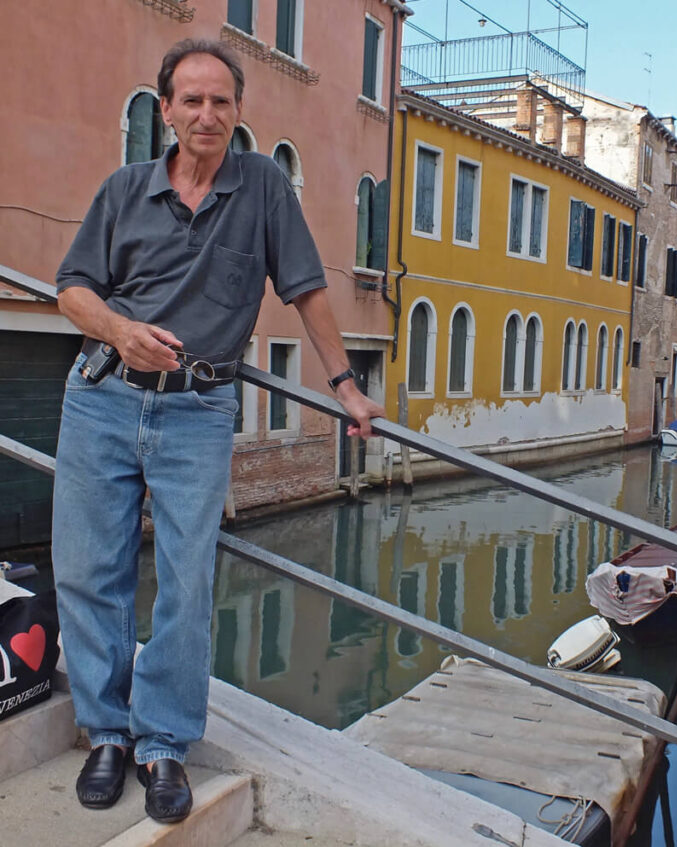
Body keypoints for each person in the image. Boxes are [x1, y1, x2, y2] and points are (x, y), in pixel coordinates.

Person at [52, 39, 385, 824]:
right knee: (89, 569)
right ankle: (107, 731)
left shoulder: (263, 185)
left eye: (221, 101)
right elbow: (71, 291)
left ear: (238, 111)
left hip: (198, 410)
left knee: (186, 580)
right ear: (167, 110)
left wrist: (345, 384)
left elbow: (306, 290)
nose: (207, 114)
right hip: (101, 397)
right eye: (192, 100)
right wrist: (121, 330)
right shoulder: (124, 189)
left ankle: (163, 742)